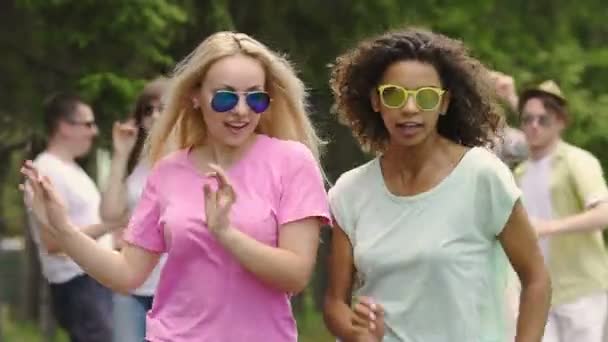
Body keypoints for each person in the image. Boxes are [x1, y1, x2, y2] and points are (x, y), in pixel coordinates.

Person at [21, 31, 331, 342]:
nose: (241, 110)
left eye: (255, 97)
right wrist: (63, 229)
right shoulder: (168, 171)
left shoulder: (292, 162)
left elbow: (296, 274)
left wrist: (227, 235)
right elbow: (128, 274)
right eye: (225, 97)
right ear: (195, 96)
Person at [323, 28, 551, 342]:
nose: (410, 108)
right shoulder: (350, 192)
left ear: (444, 103)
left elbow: (536, 278)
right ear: (376, 101)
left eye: (425, 96)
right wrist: (356, 333)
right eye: (394, 94)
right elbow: (335, 302)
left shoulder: (483, 176)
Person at [514, 80, 608, 342]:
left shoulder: (578, 161)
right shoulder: (519, 172)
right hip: (539, 292)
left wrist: (547, 227)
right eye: (528, 119)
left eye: (543, 120)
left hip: (581, 291)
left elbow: (604, 214)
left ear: (560, 122)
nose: (534, 125)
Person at [23, 93, 115, 342]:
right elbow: (53, 243)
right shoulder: (46, 170)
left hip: (95, 280)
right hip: (78, 283)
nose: (94, 131)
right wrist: (109, 226)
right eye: (87, 123)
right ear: (64, 126)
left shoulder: (72, 170)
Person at [99, 78, 168, 342]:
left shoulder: (194, 160)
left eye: (162, 108)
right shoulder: (137, 164)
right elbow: (110, 214)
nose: (154, 116)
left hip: (177, 289)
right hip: (130, 286)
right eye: (147, 110)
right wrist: (120, 153)